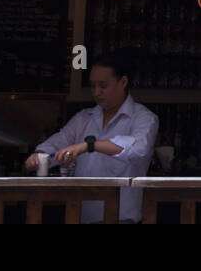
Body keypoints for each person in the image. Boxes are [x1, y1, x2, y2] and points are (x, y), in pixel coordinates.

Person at [26, 51, 158, 223]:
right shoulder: (84, 118)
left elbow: (137, 149)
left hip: (123, 219)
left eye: (103, 86)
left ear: (123, 82)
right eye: (93, 86)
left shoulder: (143, 118)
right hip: (81, 217)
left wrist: (89, 145)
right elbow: (59, 142)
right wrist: (39, 156)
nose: (96, 92)